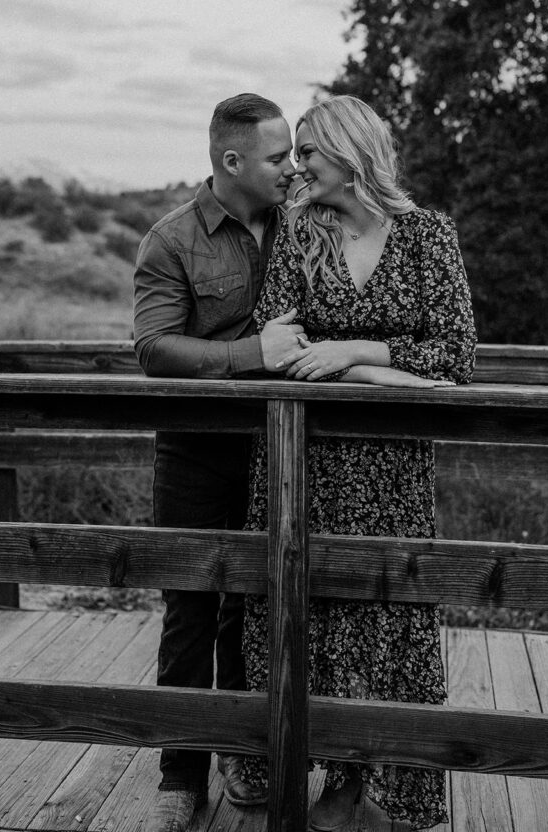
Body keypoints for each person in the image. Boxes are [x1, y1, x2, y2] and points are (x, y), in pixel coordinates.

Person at [236, 95, 477, 831]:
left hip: (391, 467)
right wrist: (382, 375)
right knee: (303, 608)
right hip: (300, 457)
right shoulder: (299, 233)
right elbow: (275, 341)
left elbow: (455, 355)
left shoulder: (428, 235)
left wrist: (352, 352)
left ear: (349, 152)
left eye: (307, 151)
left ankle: (374, 779)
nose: (298, 166)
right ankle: (316, 774)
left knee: (386, 609)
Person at [133, 93, 304, 832]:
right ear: (232, 161)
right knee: (190, 605)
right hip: (196, 452)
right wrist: (251, 355)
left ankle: (244, 752)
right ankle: (180, 769)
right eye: (278, 157)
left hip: (283, 451)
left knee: (258, 607)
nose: (292, 169)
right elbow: (154, 348)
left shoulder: (305, 223)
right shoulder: (170, 240)